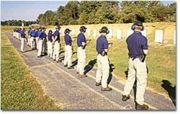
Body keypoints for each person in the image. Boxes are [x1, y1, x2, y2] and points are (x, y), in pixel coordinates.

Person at [122, 21, 149, 110]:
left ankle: (125, 94)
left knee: (130, 77)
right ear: (141, 27)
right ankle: (139, 103)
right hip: (139, 60)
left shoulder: (129, 38)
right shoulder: (143, 38)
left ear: (133, 27)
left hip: (131, 59)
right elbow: (145, 52)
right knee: (141, 81)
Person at [95, 26, 112, 91]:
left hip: (98, 55)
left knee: (99, 69)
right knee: (106, 70)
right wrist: (109, 46)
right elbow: (106, 50)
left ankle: (97, 81)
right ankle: (104, 86)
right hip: (103, 56)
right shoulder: (104, 39)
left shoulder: (98, 38)